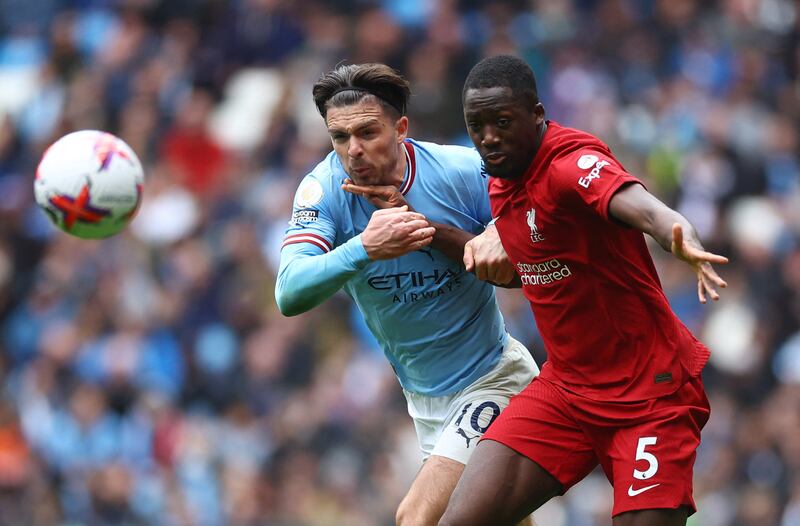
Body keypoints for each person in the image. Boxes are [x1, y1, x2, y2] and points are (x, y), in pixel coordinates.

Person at [439, 55, 729, 526]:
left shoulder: (570, 166)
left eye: (502, 121)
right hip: (568, 391)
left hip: (649, 398)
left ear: (537, 114)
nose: (489, 137)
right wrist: (428, 231)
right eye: (477, 125)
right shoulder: (503, 177)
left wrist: (680, 234)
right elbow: (530, 268)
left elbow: (646, 209)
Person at [274, 63, 538, 526]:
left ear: (400, 128)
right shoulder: (322, 191)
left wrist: (468, 231)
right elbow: (289, 292)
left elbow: (522, 252)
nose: (352, 150)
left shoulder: (460, 172)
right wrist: (363, 247)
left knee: (417, 518)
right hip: (423, 402)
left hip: (494, 377)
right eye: (339, 137)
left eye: (367, 132)